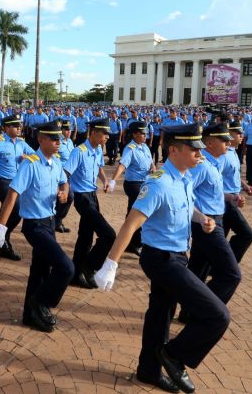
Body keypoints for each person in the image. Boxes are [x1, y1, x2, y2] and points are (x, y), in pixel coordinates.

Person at [93, 124, 227, 393]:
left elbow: (186, 207)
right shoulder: (159, 182)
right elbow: (131, 224)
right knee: (217, 315)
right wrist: (111, 263)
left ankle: (148, 371)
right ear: (175, 150)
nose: (200, 154)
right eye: (194, 149)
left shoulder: (184, 178)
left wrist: (202, 219)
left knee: (160, 315)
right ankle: (174, 356)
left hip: (178, 255)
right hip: (161, 259)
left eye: (200, 148)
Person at [0, 120, 73, 333]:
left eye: (60, 139)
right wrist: (1, 227)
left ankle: (30, 315)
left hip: (49, 221)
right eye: (53, 139)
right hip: (34, 225)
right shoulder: (31, 164)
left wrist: (64, 192)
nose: (58, 142)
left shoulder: (55, 163)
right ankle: (41, 302)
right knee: (65, 267)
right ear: (41, 139)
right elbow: (13, 193)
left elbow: (63, 181)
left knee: (40, 271)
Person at [180, 123, 242, 323]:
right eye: (223, 140)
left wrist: (231, 197)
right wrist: (201, 217)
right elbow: (185, 192)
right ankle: (205, 310)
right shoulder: (203, 166)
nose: (228, 143)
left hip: (215, 219)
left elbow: (209, 193)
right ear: (209, 142)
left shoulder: (214, 164)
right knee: (231, 274)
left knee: (198, 269)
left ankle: (188, 311)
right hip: (207, 223)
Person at [64, 118, 115, 288]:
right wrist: (64, 190)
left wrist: (105, 180)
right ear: (94, 133)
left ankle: (76, 274)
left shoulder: (98, 149)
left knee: (85, 236)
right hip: (82, 198)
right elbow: (66, 172)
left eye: (108, 133)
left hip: (93, 195)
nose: (107, 136)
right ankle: (90, 266)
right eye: (104, 133)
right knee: (109, 234)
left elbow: (99, 167)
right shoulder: (79, 151)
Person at [0, 114, 35, 261]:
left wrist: (28, 158)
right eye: (15, 125)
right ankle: (3, 238)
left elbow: (36, 155)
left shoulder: (21, 143)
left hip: (18, 182)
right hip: (3, 181)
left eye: (19, 125)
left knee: (12, 211)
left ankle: (2, 238)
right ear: (5, 128)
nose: (19, 128)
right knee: (17, 210)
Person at [110, 121, 155, 256]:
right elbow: (122, 165)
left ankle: (133, 242)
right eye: (142, 133)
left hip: (145, 183)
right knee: (139, 213)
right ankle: (133, 242)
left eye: (146, 133)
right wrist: (113, 180)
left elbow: (151, 162)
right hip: (133, 184)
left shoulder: (145, 147)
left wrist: (153, 167)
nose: (145, 136)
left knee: (136, 213)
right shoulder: (130, 148)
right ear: (135, 134)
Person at [221, 121, 252, 263]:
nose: (242, 136)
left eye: (242, 133)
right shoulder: (223, 155)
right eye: (238, 133)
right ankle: (228, 263)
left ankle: (216, 265)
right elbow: (215, 180)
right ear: (229, 134)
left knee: (220, 238)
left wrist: (245, 185)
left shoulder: (233, 152)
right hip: (226, 201)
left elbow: (233, 175)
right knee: (246, 234)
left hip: (232, 199)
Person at [54, 120, 75, 233]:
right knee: (68, 196)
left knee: (66, 198)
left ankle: (58, 221)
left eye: (70, 130)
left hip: (69, 176)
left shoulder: (70, 142)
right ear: (61, 131)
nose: (68, 132)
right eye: (66, 130)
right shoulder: (58, 142)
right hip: (60, 175)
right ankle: (55, 220)